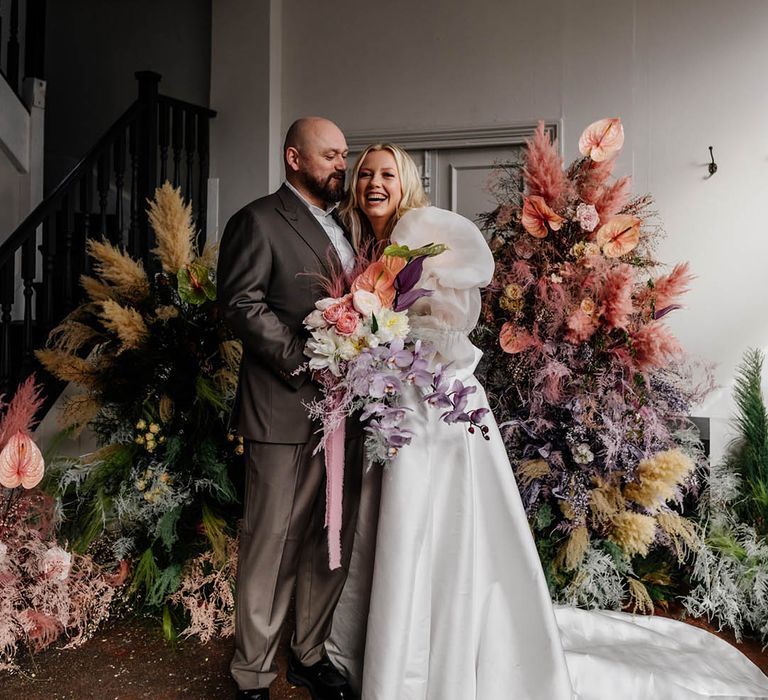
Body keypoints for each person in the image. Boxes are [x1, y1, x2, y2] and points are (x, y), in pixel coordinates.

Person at [326, 143, 768, 700]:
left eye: (386, 173)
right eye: (365, 173)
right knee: (396, 522)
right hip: (398, 397)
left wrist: (388, 335)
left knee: (431, 523)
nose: (374, 182)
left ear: (406, 181)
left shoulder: (418, 226)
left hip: (434, 401)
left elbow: (455, 318)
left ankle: (431, 658)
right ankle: (392, 644)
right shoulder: (363, 240)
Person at [217, 117, 364, 700]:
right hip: (282, 409)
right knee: (271, 541)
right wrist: (310, 360)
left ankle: (308, 654)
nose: (341, 165)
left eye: (344, 154)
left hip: (347, 411)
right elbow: (241, 305)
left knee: (330, 536)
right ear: (294, 158)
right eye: (330, 154)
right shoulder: (257, 220)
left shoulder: (348, 226)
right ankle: (251, 674)